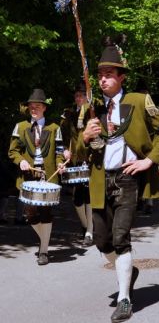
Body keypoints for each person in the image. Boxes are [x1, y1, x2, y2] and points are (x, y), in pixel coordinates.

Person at [78, 37, 159, 323]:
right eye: (100, 74)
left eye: (110, 74)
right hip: (98, 180)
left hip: (127, 179)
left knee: (121, 237)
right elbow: (77, 150)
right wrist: (84, 137)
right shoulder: (90, 108)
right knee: (101, 239)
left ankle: (124, 299)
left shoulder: (138, 101)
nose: (104, 79)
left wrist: (149, 160)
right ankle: (128, 272)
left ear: (121, 77)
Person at [8, 89, 65, 265]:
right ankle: (45, 240)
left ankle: (44, 251)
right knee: (30, 214)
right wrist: (21, 161)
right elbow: (13, 151)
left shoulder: (54, 128)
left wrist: (61, 162)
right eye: (31, 106)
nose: (34, 109)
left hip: (48, 175)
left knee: (46, 213)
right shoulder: (21, 126)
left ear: (44, 108)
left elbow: (59, 151)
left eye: (37, 106)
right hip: (28, 176)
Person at [60, 80, 93, 246]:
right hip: (75, 160)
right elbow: (63, 136)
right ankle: (85, 225)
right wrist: (64, 149)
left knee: (89, 197)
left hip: (90, 160)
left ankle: (90, 232)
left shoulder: (92, 113)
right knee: (77, 198)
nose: (79, 98)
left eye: (82, 95)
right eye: (77, 95)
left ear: (87, 97)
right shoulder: (69, 114)